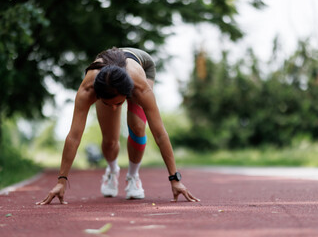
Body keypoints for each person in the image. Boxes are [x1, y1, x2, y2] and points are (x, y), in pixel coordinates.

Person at [36, 47, 200, 205]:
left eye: (119, 103)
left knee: (137, 126)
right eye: (109, 104)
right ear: (98, 95)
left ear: (129, 93)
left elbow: (160, 134)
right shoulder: (88, 89)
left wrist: (175, 179)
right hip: (109, 75)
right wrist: (61, 181)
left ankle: (133, 176)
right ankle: (112, 170)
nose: (115, 108)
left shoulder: (140, 88)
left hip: (142, 65)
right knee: (110, 141)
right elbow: (74, 136)